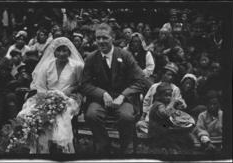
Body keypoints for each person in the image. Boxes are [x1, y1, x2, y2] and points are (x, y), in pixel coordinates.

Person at [81, 23, 152, 154]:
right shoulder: (91, 58)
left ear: (112, 37)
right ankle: (104, 146)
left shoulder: (125, 56)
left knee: (126, 117)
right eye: (98, 38)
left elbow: (141, 80)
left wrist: (123, 96)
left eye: (105, 38)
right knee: (91, 115)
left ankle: (126, 148)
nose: (101, 41)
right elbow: (85, 84)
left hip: (124, 100)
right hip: (100, 100)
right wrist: (102, 93)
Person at [17, 37, 84, 154]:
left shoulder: (77, 66)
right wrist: (47, 100)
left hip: (69, 98)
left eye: (65, 51)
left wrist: (71, 89)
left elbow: (82, 84)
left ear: (70, 52)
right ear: (54, 52)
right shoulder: (46, 66)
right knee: (30, 114)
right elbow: (40, 86)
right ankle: (40, 148)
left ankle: (61, 149)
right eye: (59, 51)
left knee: (60, 117)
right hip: (46, 97)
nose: (62, 54)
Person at [137, 62, 186, 134]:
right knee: (139, 124)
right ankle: (157, 133)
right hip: (153, 117)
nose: (170, 77)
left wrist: (179, 104)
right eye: (168, 74)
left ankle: (160, 132)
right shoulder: (154, 86)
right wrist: (143, 115)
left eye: (172, 75)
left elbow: (178, 101)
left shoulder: (175, 89)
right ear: (163, 74)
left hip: (166, 117)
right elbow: (146, 101)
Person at [148, 82, 195, 150]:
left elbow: (169, 112)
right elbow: (165, 114)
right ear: (159, 95)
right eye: (166, 95)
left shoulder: (163, 104)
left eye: (170, 95)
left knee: (180, 131)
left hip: (162, 129)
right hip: (157, 132)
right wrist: (173, 103)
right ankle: (174, 146)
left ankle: (180, 144)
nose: (168, 98)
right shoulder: (158, 105)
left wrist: (175, 109)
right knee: (177, 133)